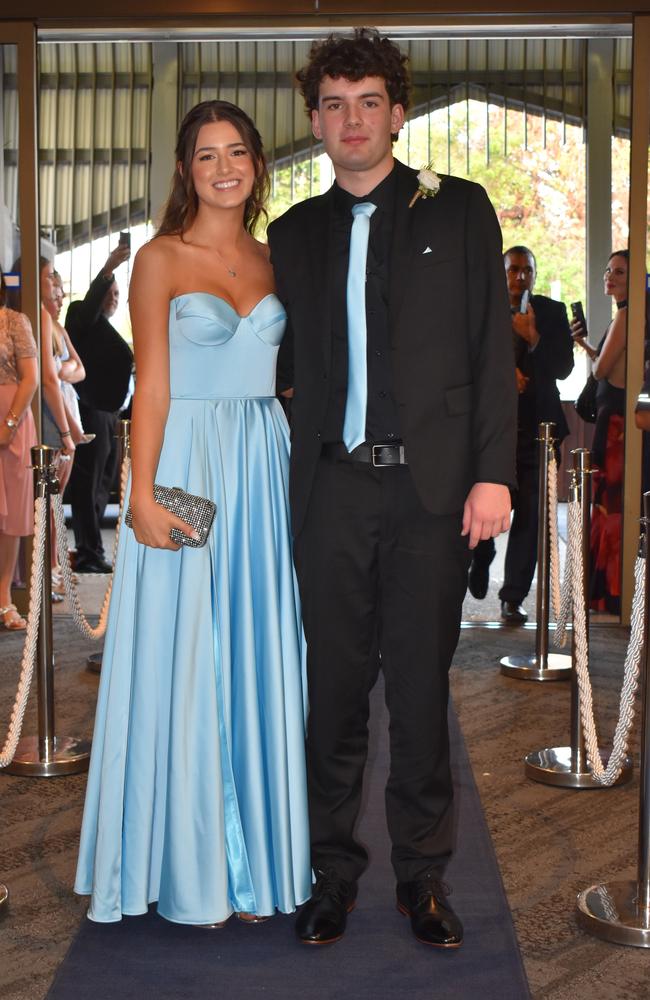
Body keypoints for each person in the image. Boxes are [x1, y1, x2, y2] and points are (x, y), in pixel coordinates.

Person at [268, 28, 516, 948]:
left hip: (431, 494)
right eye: (334, 104)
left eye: (369, 101)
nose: (352, 119)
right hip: (329, 492)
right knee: (331, 694)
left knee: (418, 692)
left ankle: (423, 880)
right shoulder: (290, 234)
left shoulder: (461, 211)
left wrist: (494, 474)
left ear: (398, 113)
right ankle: (331, 875)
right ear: (317, 121)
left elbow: (493, 352)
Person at [74, 100, 311, 925]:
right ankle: (195, 867)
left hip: (262, 463)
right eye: (206, 154)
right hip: (189, 462)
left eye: (237, 151)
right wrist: (135, 496)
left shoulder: (280, 258)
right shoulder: (160, 260)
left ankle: (259, 866)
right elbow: (155, 386)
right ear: (185, 169)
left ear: (257, 165)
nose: (223, 166)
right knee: (188, 651)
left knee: (255, 645)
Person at [468, 246, 574, 622]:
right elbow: (465, 362)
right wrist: (501, 373)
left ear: (534, 273)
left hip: (539, 431)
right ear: (501, 271)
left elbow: (563, 367)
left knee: (530, 518)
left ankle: (512, 596)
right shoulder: (481, 305)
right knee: (480, 513)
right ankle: (480, 559)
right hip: (492, 430)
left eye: (527, 270)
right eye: (513, 269)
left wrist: (534, 339)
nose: (520, 276)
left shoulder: (550, 312)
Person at [65, 245, 133, 573]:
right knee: (88, 484)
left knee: (102, 486)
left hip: (109, 414)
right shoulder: (81, 316)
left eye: (118, 293)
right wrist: (109, 268)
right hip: (91, 410)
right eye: (110, 291)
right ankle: (88, 552)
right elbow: (91, 305)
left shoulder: (106, 330)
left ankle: (94, 551)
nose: (114, 297)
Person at [572, 250, 628, 614]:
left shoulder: (627, 314)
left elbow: (601, 369)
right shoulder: (626, 314)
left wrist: (590, 352)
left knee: (609, 505)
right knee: (608, 504)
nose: (610, 276)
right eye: (608, 270)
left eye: (620, 271)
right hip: (615, 416)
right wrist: (586, 344)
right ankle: (608, 589)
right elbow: (605, 363)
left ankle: (609, 591)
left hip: (617, 424)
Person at [0, 266, 38, 630]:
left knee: (9, 516)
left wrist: (8, 426)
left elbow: (32, 378)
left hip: (10, 421)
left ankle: (4, 600)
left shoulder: (14, 321)